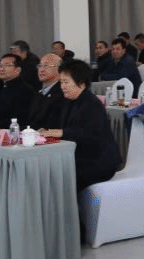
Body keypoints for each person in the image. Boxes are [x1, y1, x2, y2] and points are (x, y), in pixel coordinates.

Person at [38, 60, 121, 192]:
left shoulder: (92, 104)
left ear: (81, 83)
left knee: (58, 175)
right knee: (47, 170)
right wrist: (48, 131)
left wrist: (61, 133)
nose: (62, 86)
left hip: (98, 161)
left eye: (66, 82)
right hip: (79, 157)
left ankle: (68, 205)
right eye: (61, 82)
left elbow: (91, 136)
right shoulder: (68, 101)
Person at [0, 54, 34, 128]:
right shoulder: (3, 87)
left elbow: (19, 119)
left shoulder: (25, 90)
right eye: (0, 66)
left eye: (7, 65)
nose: (1, 69)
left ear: (18, 70)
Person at [25, 53, 65, 130]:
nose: (41, 70)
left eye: (46, 66)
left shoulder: (63, 92)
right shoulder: (37, 91)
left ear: (59, 69)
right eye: (40, 66)